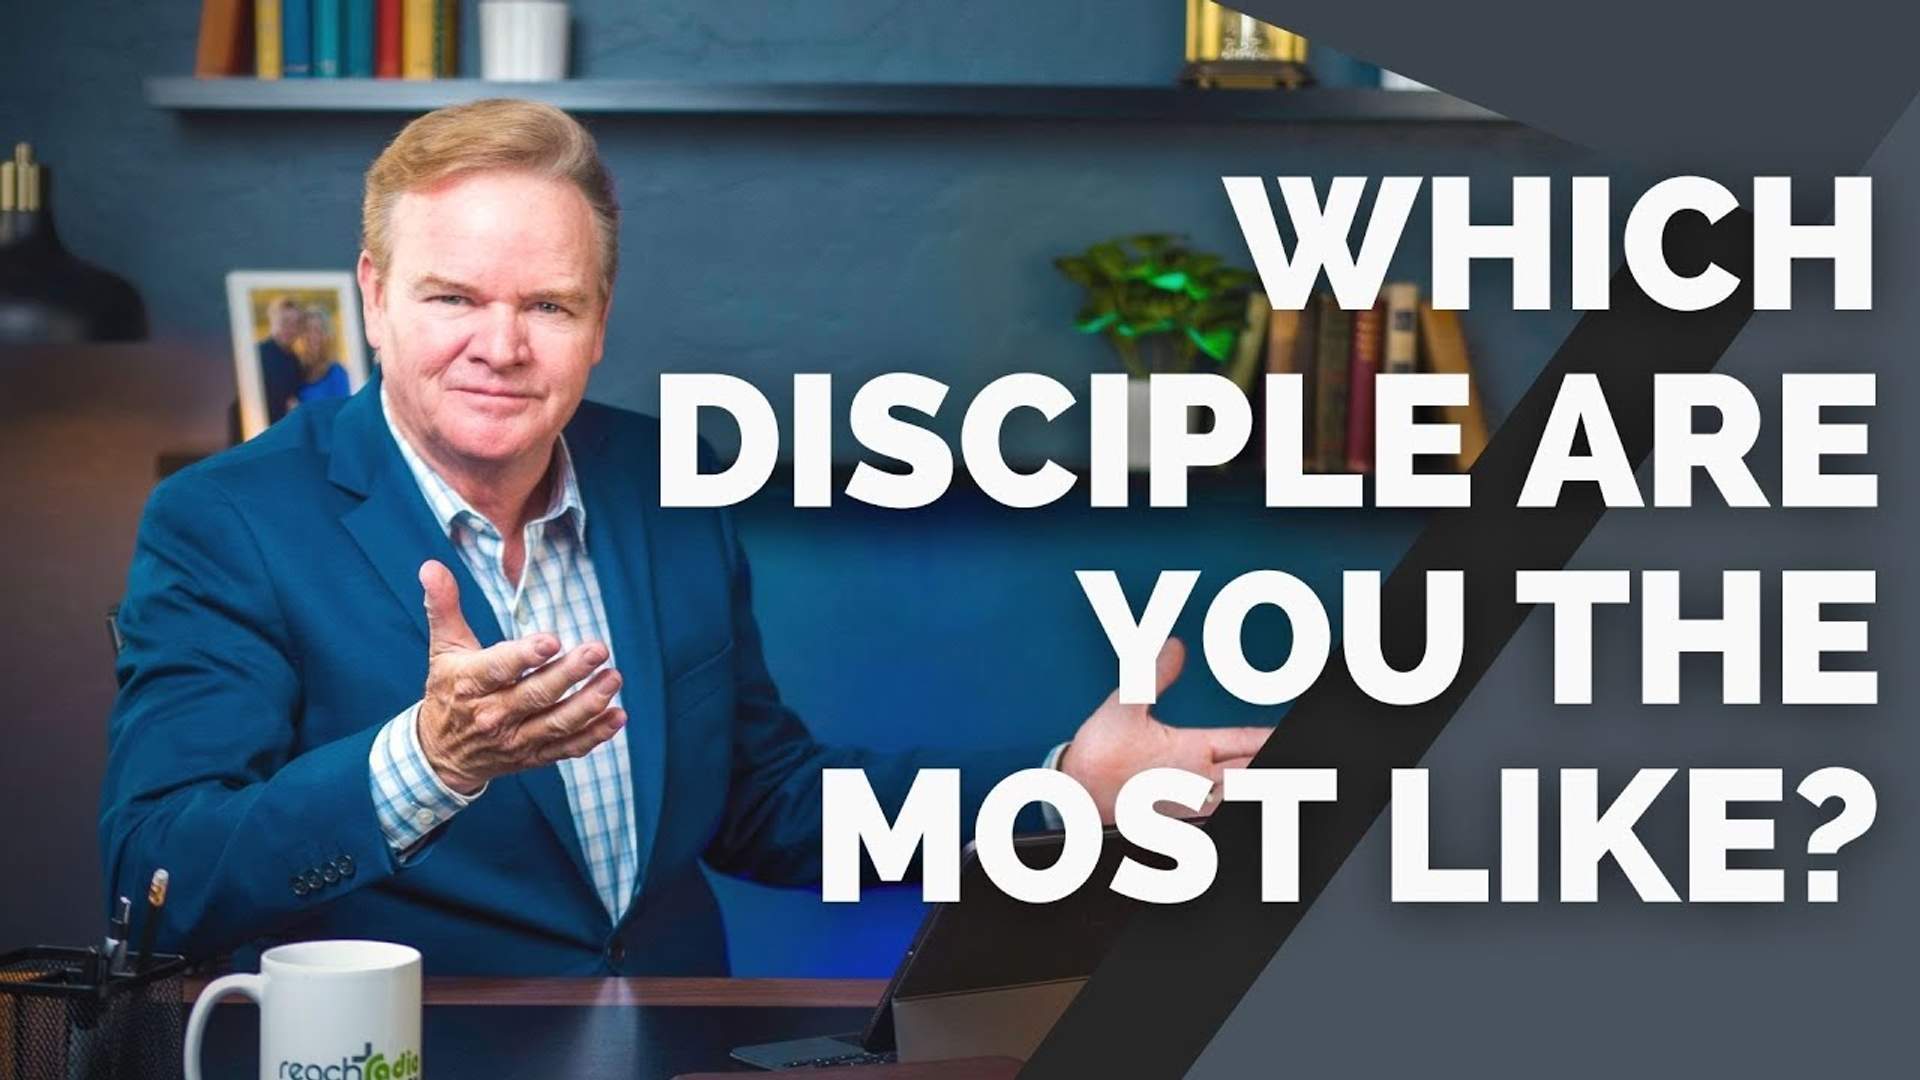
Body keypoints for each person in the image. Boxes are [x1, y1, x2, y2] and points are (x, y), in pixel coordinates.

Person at [99, 99, 1268, 976]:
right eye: (452, 297)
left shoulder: (662, 477)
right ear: (375, 294)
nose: (499, 346)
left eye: (547, 305)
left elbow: (766, 805)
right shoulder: (225, 523)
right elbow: (157, 879)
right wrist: (433, 761)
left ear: (600, 321)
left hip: (676, 1043)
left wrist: (1063, 793)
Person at [286, 303, 351, 412]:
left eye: (318, 330)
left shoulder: (337, 372)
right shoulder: (296, 370)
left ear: (327, 335)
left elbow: (340, 417)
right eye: (307, 330)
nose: (312, 336)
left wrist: (299, 412)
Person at [256, 295, 306, 424]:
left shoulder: (295, 360)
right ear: (272, 321)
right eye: (284, 322)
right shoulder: (257, 355)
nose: (290, 329)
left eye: (295, 324)